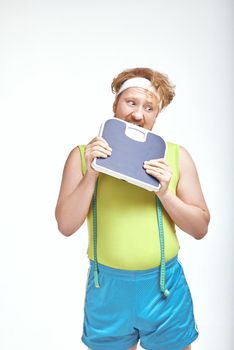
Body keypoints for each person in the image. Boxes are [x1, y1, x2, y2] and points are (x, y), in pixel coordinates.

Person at [55, 67, 210, 350]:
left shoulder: (176, 157)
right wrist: (91, 173)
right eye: (131, 103)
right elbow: (65, 225)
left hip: (163, 288)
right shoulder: (81, 156)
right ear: (115, 104)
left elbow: (200, 228)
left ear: (156, 115)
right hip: (107, 289)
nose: (138, 114)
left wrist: (165, 193)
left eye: (149, 107)